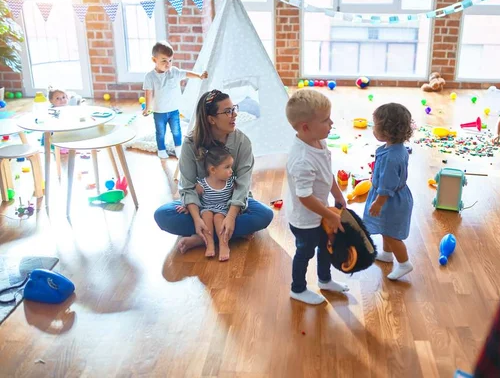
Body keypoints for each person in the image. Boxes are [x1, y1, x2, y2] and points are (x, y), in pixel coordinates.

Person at [153, 89, 273, 254]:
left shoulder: (242, 142)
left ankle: (201, 238)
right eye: (228, 111)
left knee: (264, 215)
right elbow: (187, 186)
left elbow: (242, 185)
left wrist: (231, 216)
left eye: (234, 109)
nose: (234, 115)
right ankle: (222, 233)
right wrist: (196, 219)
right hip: (203, 206)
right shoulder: (190, 144)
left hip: (232, 204)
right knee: (162, 216)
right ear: (211, 119)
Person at [285, 89, 349, 305]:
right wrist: (329, 215)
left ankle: (324, 280)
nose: (331, 123)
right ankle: (298, 288)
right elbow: (304, 197)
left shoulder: (319, 143)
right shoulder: (302, 159)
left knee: (325, 246)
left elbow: (326, 172)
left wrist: (338, 195)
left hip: (320, 214)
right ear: (306, 127)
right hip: (305, 220)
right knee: (305, 252)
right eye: (325, 120)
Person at [363, 103, 414, 281]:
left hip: (389, 200)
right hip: (394, 197)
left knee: (392, 234)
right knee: (385, 228)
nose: (372, 128)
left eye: (374, 125)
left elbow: (387, 184)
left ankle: (404, 263)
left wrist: (378, 202)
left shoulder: (392, 157)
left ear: (386, 130)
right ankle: (386, 253)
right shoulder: (396, 148)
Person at [143, 41, 208, 159]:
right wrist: (148, 108)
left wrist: (199, 76)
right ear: (154, 60)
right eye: (164, 61)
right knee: (160, 132)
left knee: (177, 131)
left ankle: (178, 149)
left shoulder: (174, 72)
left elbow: (187, 74)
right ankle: (161, 149)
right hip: (159, 111)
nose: (168, 64)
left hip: (173, 110)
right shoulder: (150, 76)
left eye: (170, 60)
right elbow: (148, 93)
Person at [195, 144, 236, 261]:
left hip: (222, 209)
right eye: (227, 167)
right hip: (206, 208)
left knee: (218, 218)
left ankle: (224, 245)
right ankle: (210, 244)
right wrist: (185, 206)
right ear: (213, 170)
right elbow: (193, 197)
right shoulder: (202, 184)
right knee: (206, 215)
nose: (231, 171)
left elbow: (240, 195)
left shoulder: (230, 183)